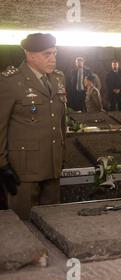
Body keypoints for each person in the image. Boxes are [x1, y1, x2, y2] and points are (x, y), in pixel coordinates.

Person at [0, 33, 67, 219]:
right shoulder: (11, 81)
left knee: (53, 223)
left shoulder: (58, 79)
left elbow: (61, 121)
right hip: (23, 170)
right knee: (24, 225)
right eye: (47, 54)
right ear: (30, 55)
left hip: (52, 164)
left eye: (55, 53)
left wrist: (62, 154)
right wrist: (2, 165)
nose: (53, 59)